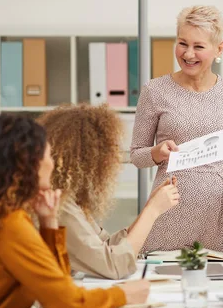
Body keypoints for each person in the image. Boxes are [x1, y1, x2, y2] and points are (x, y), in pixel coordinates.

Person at [0, 113, 150, 308]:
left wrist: (49, 223)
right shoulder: (11, 225)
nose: (53, 164)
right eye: (49, 156)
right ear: (32, 163)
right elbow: (65, 301)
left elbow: (58, 280)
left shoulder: (0, 214)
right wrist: (123, 295)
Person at [130, 5, 223, 253]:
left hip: (220, 211)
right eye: (182, 43)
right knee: (163, 284)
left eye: (198, 46)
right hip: (169, 208)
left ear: (219, 48)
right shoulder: (154, 91)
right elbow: (136, 155)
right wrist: (157, 152)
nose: (188, 54)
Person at [36, 103, 180, 279]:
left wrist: (151, 204)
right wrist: (152, 211)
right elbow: (113, 266)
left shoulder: (68, 200)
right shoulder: (59, 206)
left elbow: (106, 245)